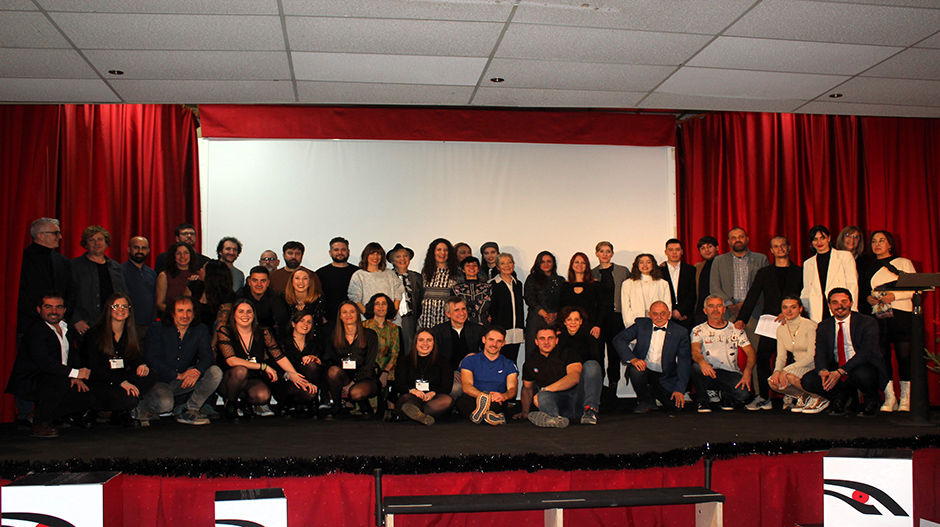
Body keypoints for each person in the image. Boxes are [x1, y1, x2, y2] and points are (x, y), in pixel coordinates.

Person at [6, 292, 94, 438]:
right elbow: (45, 363)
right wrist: (73, 373)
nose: (54, 311)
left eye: (59, 307)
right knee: (58, 380)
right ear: (39, 309)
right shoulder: (35, 330)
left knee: (88, 396)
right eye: (48, 307)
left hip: (59, 377)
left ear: (64, 310)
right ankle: (39, 423)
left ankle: (37, 415)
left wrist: (76, 376)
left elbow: (73, 355)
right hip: (32, 381)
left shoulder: (67, 327)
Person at [734, 236, 803, 411]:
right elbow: (753, 296)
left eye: (782, 246)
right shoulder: (764, 273)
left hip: (794, 323)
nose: (780, 249)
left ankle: (792, 396)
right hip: (771, 324)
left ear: (788, 247)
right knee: (763, 357)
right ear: (771, 251)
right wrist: (742, 318)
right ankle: (764, 397)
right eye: (775, 247)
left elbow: (805, 296)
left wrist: (790, 313)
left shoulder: (800, 272)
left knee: (794, 359)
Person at [217, 299, 313, 420]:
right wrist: (263, 366)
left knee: (263, 396)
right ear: (234, 314)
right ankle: (231, 403)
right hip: (230, 379)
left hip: (252, 378)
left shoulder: (263, 332)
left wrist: (295, 375)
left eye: (249, 312)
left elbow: (279, 356)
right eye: (241, 311)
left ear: (254, 314)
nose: (245, 315)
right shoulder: (225, 331)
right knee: (240, 370)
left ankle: (245, 403)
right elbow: (231, 360)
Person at [800, 288, 887, 417]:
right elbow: (820, 352)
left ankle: (872, 400)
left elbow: (866, 353)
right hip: (836, 365)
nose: (840, 306)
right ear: (829, 306)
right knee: (809, 381)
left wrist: (841, 371)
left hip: (862, 364)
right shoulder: (824, 326)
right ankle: (840, 397)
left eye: (844, 301)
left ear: (851, 303)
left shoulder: (867, 322)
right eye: (835, 303)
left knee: (863, 374)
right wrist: (822, 370)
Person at [140, 295, 223, 425]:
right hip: (159, 380)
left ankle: (190, 410)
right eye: (180, 311)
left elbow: (208, 357)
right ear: (172, 313)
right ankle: (141, 408)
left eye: (189, 311)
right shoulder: (157, 329)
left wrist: (197, 371)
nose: (185, 315)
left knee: (214, 372)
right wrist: (178, 375)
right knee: (165, 405)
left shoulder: (200, 330)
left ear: (194, 313)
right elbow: (152, 360)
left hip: (183, 379)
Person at [82, 293, 157, 427]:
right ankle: (97, 409)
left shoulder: (129, 333)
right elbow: (95, 367)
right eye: (116, 306)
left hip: (119, 379)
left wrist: (141, 365)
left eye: (124, 306)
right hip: (100, 381)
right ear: (109, 309)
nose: (120, 309)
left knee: (150, 374)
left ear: (129, 310)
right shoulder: (94, 333)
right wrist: (122, 382)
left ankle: (119, 412)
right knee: (130, 399)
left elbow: (133, 357)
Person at [866, 230, 917, 412]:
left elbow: (914, 289)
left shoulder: (903, 262)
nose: (877, 244)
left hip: (902, 314)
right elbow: (865, 292)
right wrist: (869, 299)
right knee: (882, 355)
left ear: (890, 244)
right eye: (873, 241)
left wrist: (894, 296)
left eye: (882, 240)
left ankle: (906, 398)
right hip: (879, 316)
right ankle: (890, 398)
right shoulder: (868, 266)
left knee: (904, 356)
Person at [613, 301, 691, 413]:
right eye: (655, 314)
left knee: (675, 407)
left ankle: (653, 394)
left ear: (669, 314)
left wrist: (679, 389)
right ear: (649, 315)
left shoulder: (680, 332)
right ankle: (645, 400)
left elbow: (684, 361)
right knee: (636, 370)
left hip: (665, 376)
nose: (659, 317)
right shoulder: (641, 325)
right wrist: (633, 359)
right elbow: (619, 339)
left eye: (663, 313)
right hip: (644, 370)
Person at [690, 295, 756, 412]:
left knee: (744, 395)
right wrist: (702, 362)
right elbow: (695, 351)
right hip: (708, 371)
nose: (715, 309)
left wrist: (747, 371)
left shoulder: (736, 329)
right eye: (711, 306)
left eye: (719, 306)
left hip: (730, 373)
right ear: (705, 311)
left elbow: (750, 352)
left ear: (724, 309)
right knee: (696, 367)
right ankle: (703, 400)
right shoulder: (698, 330)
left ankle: (726, 396)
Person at [517, 328, 585, 428]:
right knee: (543, 396)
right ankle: (554, 419)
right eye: (542, 338)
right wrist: (525, 412)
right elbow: (527, 389)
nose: (546, 342)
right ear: (536, 342)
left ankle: (588, 412)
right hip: (555, 403)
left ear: (556, 340)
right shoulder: (530, 363)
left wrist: (546, 389)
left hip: (576, 399)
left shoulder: (568, 353)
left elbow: (575, 377)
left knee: (543, 393)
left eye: (550, 338)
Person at [770, 296, 828, 414]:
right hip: (798, 366)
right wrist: (777, 371)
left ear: (800, 309)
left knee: (789, 376)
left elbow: (812, 356)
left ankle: (819, 398)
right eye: (785, 308)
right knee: (773, 382)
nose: (789, 311)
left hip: (813, 365)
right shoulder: (781, 329)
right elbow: (781, 356)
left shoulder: (810, 326)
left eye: (793, 307)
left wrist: (786, 370)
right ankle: (803, 396)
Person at [70, 225, 128, 336]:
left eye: (100, 239)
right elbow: (68, 296)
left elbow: (124, 295)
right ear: (86, 244)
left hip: (112, 323)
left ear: (106, 242)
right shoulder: (75, 266)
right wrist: (76, 320)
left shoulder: (115, 267)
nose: (96, 243)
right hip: (86, 325)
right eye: (92, 240)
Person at [18, 218, 72, 337]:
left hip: (59, 326)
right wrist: (42, 314)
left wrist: (61, 315)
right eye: (55, 233)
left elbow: (70, 291)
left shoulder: (62, 261)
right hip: (30, 326)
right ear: (41, 235)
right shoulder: (21, 260)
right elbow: (19, 293)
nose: (60, 237)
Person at [326, 301, 380, 417]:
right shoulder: (335, 336)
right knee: (332, 371)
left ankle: (365, 407)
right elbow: (333, 360)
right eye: (344, 312)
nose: (348, 315)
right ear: (340, 316)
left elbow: (369, 364)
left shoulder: (370, 335)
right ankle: (336, 405)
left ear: (358, 315)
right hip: (345, 377)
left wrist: (353, 382)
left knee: (356, 392)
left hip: (366, 378)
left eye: (352, 312)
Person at [456, 326, 518, 426]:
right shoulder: (469, 360)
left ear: (503, 343)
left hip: (496, 400)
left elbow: (513, 389)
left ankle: (481, 415)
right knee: (462, 402)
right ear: (484, 339)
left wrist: (503, 396)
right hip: (474, 398)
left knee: (497, 405)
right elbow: (466, 386)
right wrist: (485, 397)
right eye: (491, 340)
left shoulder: (509, 364)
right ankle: (491, 417)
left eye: (499, 341)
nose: (494, 344)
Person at [591, 241, 628, 403]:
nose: (605, 254)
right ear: (597, 254)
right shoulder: (591, 273)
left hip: (616, 317)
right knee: (597, 354)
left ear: (612, 253)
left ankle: (613, 387)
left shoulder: (622, 271)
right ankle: (598, 389)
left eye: (608, 251)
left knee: (614, 354)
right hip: (598, 319)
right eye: (601, 251)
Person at [277, 312, 333, 416]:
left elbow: (328, 362)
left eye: (309, 322)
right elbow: (276, 366)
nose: (305, 325)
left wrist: (317, 360)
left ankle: (314, 402)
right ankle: (288, 404)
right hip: (288, 380)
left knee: (311, 365)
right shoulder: (283, 342)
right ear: (293, 324)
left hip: (309, 382)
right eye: (301, 321)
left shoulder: (315, 344)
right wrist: (291, 375)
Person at [394, 330, 454, 425]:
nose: (425, 344)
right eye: (421, 340)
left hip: (432, 399)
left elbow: (447, 386)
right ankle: (419, 414)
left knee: (447, 400)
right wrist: (412, 391)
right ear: (415, 342)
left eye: (429, 340)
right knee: (407, 399)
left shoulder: (443, 361)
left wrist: (433, 393)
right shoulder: (404, 361)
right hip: (412, 397)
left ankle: (413, 415)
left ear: (434, 343)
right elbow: (399, 384)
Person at [709, 227, 769, 322]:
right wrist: (730, 305)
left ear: (747, 239)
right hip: (727, 314)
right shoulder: (719, 261)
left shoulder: (761, 259)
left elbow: (765, 288)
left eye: (741, 237)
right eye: (733, 238)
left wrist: (746, 304)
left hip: (753, 314)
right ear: (728, 242)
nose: (737, 240)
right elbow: (714, 287)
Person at [429, 297, 485, 398]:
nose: (462, 313)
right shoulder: (438, 331)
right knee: (455, 389)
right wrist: (450, 372)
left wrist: (473, 357)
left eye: (463, 309)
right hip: (450, 373)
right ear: (448, 314)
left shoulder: (478, 330)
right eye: (456, 310)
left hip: (474, 372)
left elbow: (487, 353)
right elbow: (434, 357)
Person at [800, 225, 858, 323]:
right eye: (815, 239)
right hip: (817, 310)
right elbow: (807, 290)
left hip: (840, 307)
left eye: (822, 238)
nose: (819, 242)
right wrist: (804, 311)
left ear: (829, 238)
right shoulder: (808, 263)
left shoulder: (845, 257)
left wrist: (852, 309)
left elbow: (852, 285)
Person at [555, 306, 602, 422]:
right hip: (564, 386)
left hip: (583, 387)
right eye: (569, 319)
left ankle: (590, 410)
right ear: (564, 322)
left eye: (576, 319)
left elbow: (595, 368)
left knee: (592, 365)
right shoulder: (557, 340)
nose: (573, 323)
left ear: (581, 321)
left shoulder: (590, 340)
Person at [363, 293, 401, 416]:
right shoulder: (364, 326)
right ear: (372, 307)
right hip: (368, 367)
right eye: (377, 303)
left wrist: (385, 372)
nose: (381, 306)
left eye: (384, 303)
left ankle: (391, 403)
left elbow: (395, 353)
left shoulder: (394, 328)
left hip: (388, 368)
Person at [523, 251, 564, 359]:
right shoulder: (532, 278)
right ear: (538, 263)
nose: (546, 264)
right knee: (533, 350)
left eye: (549, 261)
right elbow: (529, 298)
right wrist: (545, 314)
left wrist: (555, 315)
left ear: (553, 263)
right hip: (536, 318)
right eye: (543, 261)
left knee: (555, 352)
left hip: (556, 319)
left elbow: (563, 300)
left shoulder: (560, 280)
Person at [347, 242, 404, 315]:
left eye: (378, 254)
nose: (375, 257)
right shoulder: (359, 276)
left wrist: (392, 314)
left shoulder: (390, 274)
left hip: (390, 321)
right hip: (367, 321)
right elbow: (355, 299)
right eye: (372, 254)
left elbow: (398, 295)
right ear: (366, 255)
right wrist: (369, 317)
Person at [316, 237, 359, 331]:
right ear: (330, 252)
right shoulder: (320, 273)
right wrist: (322, 318)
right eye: (336, 250)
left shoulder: (358, 273)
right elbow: (316, 298)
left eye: (343, 249)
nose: (340, 252)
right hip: (329, 322)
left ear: (348, 251)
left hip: (354, 321)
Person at [489, 253, 525, 363]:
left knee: (512, 361)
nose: (507, 266)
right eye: (503, 263)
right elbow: (491, 308)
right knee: (499, 361)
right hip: (501, 330)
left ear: (513, 264)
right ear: (498, 267)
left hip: (517, 329)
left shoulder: (518, 284)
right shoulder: (492, 285)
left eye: (509, 262)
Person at [388, 243, 424, 356]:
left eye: (405, 256)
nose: (402, 259)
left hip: (410, 318)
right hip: (392, 318)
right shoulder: (387, 276)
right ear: (392, 261)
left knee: (409, 347)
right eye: (398, 256)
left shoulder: (416, 277)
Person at [184, 259, 235, 337]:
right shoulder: (193, 285)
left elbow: (221, 324)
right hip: (188, 329)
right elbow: (183, 307)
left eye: (203, 269)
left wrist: (212, 346)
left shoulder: (226, 296)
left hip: (210, 333)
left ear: (211, 275)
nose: (200, 270)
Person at [621, 254, 672, 328]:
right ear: (637, 265)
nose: (645, 265)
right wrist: (632, 325)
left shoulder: (663, 283)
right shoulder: (628, 283)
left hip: (658, 323)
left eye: (648, 262)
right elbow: (626, 308)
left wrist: (662, 322)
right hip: (635, 323)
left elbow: (668, 305)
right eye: (641, 262)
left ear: (653, 264)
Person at [560, 252, 603, 339]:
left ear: (587, 266)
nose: (580, 265)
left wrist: (598, 325)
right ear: (571, 265)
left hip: (592, 328)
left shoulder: (595, 284)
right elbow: (561, 307)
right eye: (576, 262)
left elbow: (601, 307)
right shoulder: (565, 285)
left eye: (583, 263)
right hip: (570, 328)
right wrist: (560, 327)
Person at [418, 238, 459, 330]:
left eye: (445, 250)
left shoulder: (456, 273)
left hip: (446, 319)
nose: (442, 253)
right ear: (433, 252)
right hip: (426, 318)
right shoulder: (425, 272)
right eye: (439, 249)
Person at [236, 266, 289, 334]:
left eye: (263, 281)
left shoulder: (275, 298)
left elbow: (283, 322)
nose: (259, 284)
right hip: (242, 333)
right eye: (255, 280)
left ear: (268, 283)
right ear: (249, 282)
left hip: (267, 335)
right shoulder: (240, 295)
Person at [277, 268, 326, 340]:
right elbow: (284, 323)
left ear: (309, 282)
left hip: (313, 339)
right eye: (297, 278)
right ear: (292, 282)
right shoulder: (283, 297)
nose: (301, 282)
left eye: (305, 279)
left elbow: (317, 323)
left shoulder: (318, 297)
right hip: (288, 340)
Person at [122, 236, 157, 338]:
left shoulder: (152, 273)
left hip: (150, 326)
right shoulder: (119, 271)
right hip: (129, 325)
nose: (140, 251)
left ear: (148, 251)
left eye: (144, 248)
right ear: (129, 249)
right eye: (136, 247)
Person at [155, 241, 198, 316]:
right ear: (173, 256)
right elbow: (159, 304)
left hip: (194, 319)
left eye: (186, 253)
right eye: (178, 253)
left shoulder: (198, 275)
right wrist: (176, 313)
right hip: (170, 319)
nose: (182, 256)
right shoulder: (164, 275)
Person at [452, 256, 492, 326]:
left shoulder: (488, 287)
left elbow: (490, 306)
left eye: (474, 265)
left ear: (478, 269)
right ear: (463, 270)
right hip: (463, 325)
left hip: (484, 325)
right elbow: (455, 308)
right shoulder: (456, 289)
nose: (471, 268)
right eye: (468, 265)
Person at [694, 236, 719, 326]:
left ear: (717, 248)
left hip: (720, 311)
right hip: (701, 311)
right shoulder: (697, 267)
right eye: (703, 248)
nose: (707, 250)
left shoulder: (725, 263)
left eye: (710, 246)